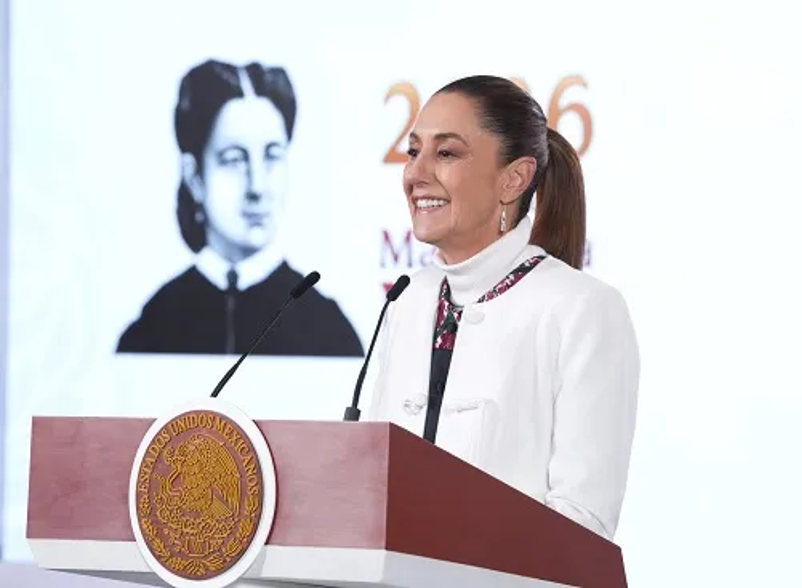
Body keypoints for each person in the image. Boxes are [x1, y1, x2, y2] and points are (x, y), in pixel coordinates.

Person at [365, 75, 639, 541]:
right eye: (414, 152)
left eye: (446, 153)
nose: (415, 173)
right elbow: (367, 484)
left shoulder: (584, 310)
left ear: (514, 178)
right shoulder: (407, 300)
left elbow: (582, 525)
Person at [117, 59, 363, 357]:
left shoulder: (328, 328)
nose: (257, 187)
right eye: (235, 159)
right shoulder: (154, 326)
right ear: (194, 175)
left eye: (272, 156)